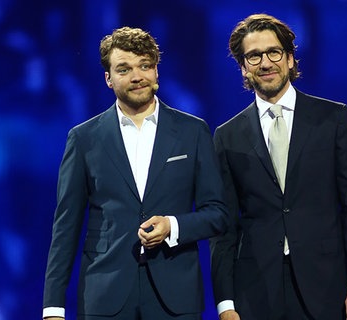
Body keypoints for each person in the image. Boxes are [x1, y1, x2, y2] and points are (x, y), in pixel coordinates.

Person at [42, 26, 228, 320]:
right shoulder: (84, 138)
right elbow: (66, 227)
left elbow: (218, 213)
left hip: (175, 297)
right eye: (124, 69)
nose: (137, 76)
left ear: (156, 71)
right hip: (105, 297)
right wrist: (53, 307)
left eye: (145, 66)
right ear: (108, 78)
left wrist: (173, 226)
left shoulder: (193, 131)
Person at [209, 14, 347, 320]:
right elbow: (224, 228)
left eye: (274, 52)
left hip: (327, 286)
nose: (265, 62)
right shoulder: (226, 135)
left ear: (290, 59)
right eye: (254, 56)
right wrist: (226, 304)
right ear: (243, 67)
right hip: (256, 290)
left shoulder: (333, 118)